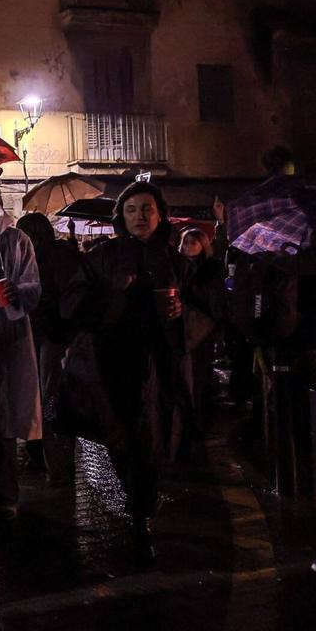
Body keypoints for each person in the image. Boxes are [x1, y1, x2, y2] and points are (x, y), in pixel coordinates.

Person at [61, 181, 192, 567]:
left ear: (160, 214)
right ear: (122, 215)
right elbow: (73, 305)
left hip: (159, 361)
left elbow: (205, 304)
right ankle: (138, 508)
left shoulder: (174, 259)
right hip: (113, 361)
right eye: (132, 209)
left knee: (155, 434)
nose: (140, 216)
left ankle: (143, 511)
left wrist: (182, 313)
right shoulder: (103, 257)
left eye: (147, 209)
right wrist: (113, 295)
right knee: (123, 435)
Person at [0, 182, 41, 518]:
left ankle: (3, 491)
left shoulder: (16, 240)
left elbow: (32, 286)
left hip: (5, 335)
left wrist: (15, 292)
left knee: (3, 414)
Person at [16, 213, 81, 487]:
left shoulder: (48, 258)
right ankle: (45, 458)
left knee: (46, 398)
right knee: (41, 396)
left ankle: (54, 462)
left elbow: (65, 297)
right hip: (42, 335)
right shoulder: (38, 257)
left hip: (48, 336)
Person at [178, 227, 222, 458]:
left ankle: (198, 427)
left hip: (202, 328)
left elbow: (215, 303)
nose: (188, 247)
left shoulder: (211, 269)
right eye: (185, 243)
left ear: (203, 245)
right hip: (184, 328)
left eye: (193, 243)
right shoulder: (178, 266)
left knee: (199, 377)